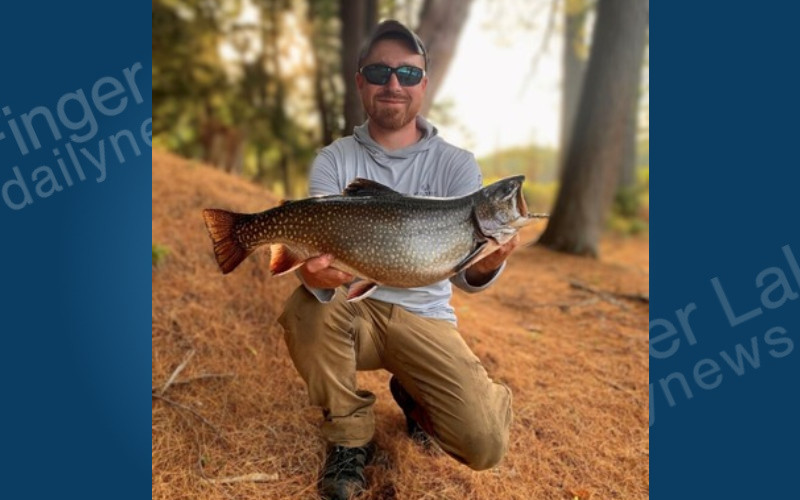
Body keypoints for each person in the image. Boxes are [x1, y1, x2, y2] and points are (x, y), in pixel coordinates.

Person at [278, 19, 518, 500]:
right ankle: (349, 440)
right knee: (305, 306)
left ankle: (416, 395)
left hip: (426, 318)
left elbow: (468, 278)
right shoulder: (334, 159)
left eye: (407, 74)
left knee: (486, 444)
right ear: (360, 80)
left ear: (423, 86)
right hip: (354, 310)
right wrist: (312, 272)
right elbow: (321, 262)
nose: (394, 84)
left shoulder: (456, 164)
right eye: (380, 71)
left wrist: (492, 259)